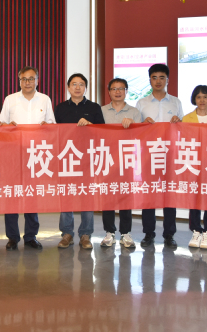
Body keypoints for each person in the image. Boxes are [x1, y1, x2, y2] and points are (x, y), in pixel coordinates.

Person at [0, 66, 56, 250]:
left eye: (31, 79)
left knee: (32, 195)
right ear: (19, 81)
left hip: (36, 154)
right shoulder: (10, 99)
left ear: (37, 80)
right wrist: (6, 125)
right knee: (12, 195)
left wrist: (47, 125)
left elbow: (53, 124)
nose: (28, 82)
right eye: (24, 79)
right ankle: (12, 237)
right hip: (13, 154)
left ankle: (31, 236)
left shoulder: (45, 99)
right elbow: (0, 124)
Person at [54, 73, 104, 250]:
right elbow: (54, 133)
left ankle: (85, 234)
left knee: (86, 197)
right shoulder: (60, 108)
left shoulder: (94, 107)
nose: (77, 87)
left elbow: (103, 132)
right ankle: (67, 233)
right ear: (68, 87)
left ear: (86, 88)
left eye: (81, 84)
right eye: (74, 84)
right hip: (66, 158)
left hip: (87, 158)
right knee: (66, 196)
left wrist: (90, 125)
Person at [135, 63, 183, 248]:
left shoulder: (176, 102)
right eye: (154, 77)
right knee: (149, 193)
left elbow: (183, 129)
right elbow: (135, 130)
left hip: (170, 154)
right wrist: (142, 124)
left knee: (169, 194)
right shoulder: (142, 103)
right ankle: (148, 233)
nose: (158, 81)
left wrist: (178, 122)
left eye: (162, 77)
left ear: (167, 80)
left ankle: (169, 234)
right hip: (149, 154)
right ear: (150, 80)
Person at [99, 78, 142, 248]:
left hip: (127, 159)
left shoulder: (134, 112)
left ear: (126, 91)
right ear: (109, 91)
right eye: (114, 89)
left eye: (121, 89)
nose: (117, 92)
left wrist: (133, 125)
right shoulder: (101, 111)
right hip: (107, 158)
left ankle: (126, 233)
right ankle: (109, 232)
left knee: (125, 196)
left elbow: (141, 136)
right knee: (108, 197)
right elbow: (95, 133)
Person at [181, 85, 207, 251]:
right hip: (193, 163)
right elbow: (183, 141)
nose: (202, 100)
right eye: (198, 97)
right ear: (194, 99)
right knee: (195, 197)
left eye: (205, 96)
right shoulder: (187, 118)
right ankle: (196, 231)